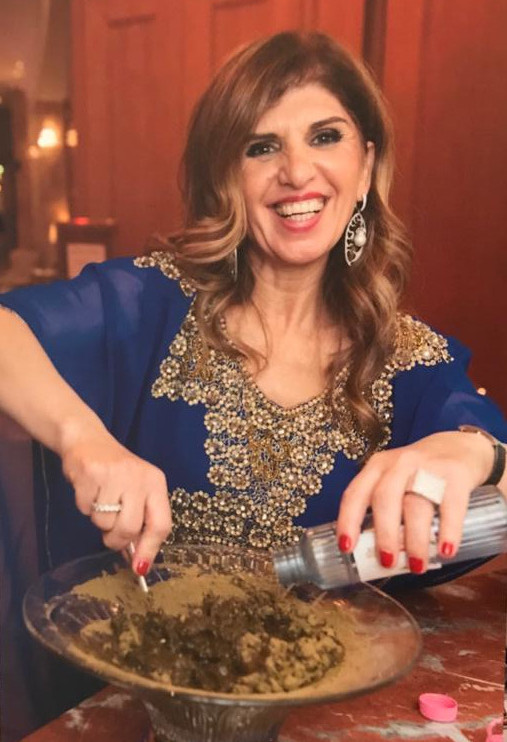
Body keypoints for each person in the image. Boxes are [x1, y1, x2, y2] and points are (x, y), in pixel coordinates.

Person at [0, 30, 505, 740]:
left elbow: (486, 475)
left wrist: (474, 452)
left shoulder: (404, 359)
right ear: (222, 176)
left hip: (317, 716)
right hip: (128, 710)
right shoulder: (150, 305)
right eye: (260, 146)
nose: (296, 171)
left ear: (364, 166)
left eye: (324, 136)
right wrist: (85, 442)